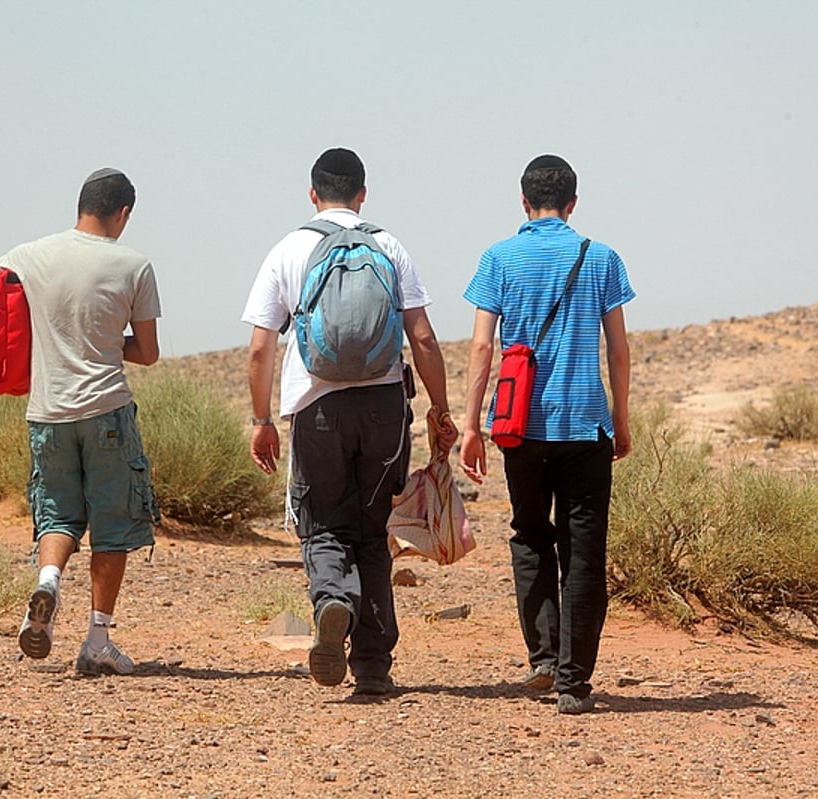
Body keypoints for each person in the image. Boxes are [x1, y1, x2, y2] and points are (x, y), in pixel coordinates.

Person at [242, 147, 457, 696]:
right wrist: (440, 408)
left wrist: (262, 417)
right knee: (372, 529)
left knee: (322, 523)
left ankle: (332, 598)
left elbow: (260, 348)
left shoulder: (289, 249)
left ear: (313, 195)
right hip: (384, 406)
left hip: (316, 407)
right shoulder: (387, 244)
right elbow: (424, 337)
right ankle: (373, 667)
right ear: (363, 194)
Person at [0, 167, 162, 676]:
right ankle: (96, 640)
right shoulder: (134, 265)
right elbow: (148, 353)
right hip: (107, 410)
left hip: (47, 413)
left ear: (81, 205)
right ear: (123, 213)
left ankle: (47, 582)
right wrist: (107, 343)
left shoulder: (30, 254)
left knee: (59, 516)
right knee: (112, 530)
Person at [459, 154, 634, 715]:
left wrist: (470, 425)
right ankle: (573, 682)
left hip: (520, 427)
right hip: (586, 424)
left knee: (531, 532)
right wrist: (622, 418)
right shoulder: (602, 258)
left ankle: (543, 657)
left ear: (523, 201)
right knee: (583, 549)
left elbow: (483, 347)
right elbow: (619, 349)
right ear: (574, 203)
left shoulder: (499, 258)